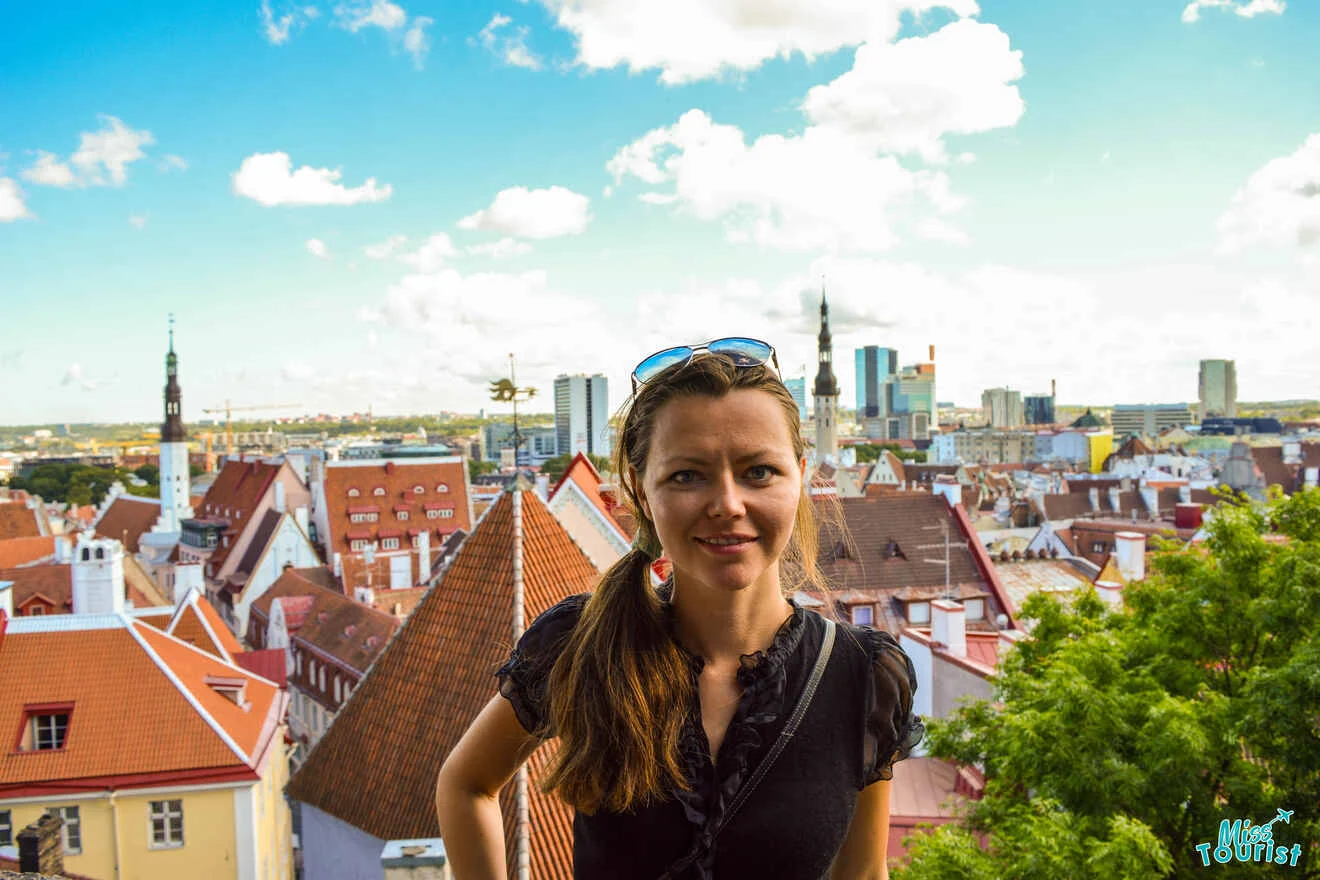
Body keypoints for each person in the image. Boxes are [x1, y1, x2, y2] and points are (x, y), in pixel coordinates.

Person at [436, 337, 925, 880]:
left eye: (759, 471)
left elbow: (862, 874)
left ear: (801, 476)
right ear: (642, 493)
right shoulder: (582, 643)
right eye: (687, 475)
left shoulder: (864, 678)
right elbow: (466, 783)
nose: (727, 504)